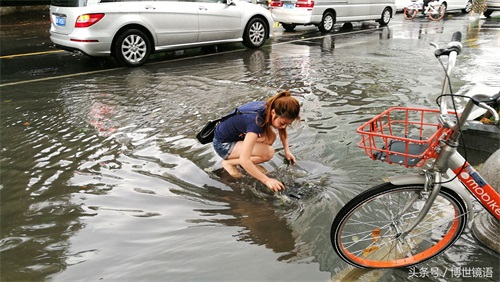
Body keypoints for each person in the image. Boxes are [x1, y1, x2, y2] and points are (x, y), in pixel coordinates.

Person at [213, 90, 301, 192]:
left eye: (287, 124)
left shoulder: (272, 106)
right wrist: (267, 180)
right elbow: (244, 159)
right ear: (273, 113)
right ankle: (230, 163)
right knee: (268, 153)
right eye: (282, 123)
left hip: (237, 137)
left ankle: (245, 162)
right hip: (223, 145)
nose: (284, 127)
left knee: (270, 136)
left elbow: (282, 129)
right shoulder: (255, 121)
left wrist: (287, 151)